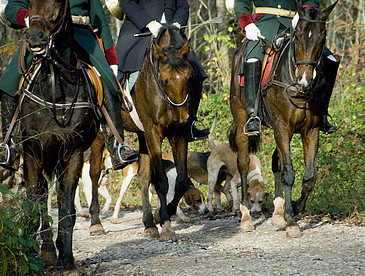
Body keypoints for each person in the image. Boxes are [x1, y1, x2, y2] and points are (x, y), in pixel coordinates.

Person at [0, 0, 139, 170]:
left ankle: (117, 145)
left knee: (109, 82)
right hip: (42, 33)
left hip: (80, 35)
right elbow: (12, 7)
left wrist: (111, 58)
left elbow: (99, 19)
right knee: (8, 80)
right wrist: (28, 18)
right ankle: (9, 145)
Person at [234, 0, 339, 135]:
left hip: (297, 24)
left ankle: (323, 114)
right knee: (252, 59)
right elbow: (241, 3)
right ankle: (252, 116)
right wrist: (247, 24)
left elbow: (312, 0)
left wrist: (304, 11)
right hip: (264, 24)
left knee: (330, 59)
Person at [116, 0, 209, 142]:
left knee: (196, 70)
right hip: (139, 30)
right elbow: (126, 2)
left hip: (172, 34)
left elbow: (183, 5)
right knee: (118, 70)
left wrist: (177, 23)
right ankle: (114, 130)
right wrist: (149, 23)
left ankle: (191, 124)